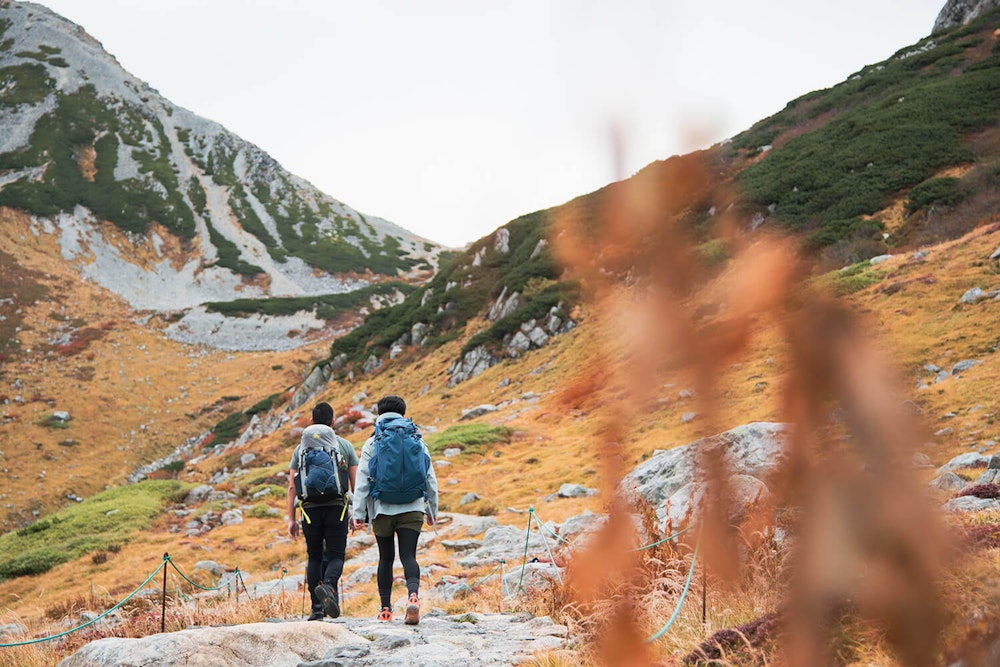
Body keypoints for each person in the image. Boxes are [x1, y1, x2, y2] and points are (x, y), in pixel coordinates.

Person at [351, 395, 438, 624]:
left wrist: (358, 514)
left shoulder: (373, 441)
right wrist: (432, 510)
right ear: (403, 412)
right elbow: (429, 477)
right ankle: (413, 596)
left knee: (385, 559)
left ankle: (385, 610)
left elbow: (362, 480)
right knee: (409, 555)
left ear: (380, 413)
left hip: (382, 509)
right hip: (412, 507)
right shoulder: (416, 438)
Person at [287, 402, 358, 621]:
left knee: (314, 556)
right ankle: (328, 586)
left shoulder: (300, 450)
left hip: (309, 510)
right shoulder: (343, 445)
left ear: (311, 421)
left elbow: (292, 486)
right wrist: (357, 512)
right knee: (336, 555)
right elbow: (356, 483)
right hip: (337, 506)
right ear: (333, 422)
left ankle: (316, 609)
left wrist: (291, 519)